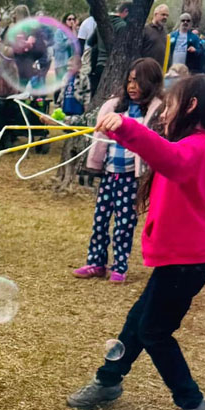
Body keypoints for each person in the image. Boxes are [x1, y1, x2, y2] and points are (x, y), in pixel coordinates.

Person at [67, 74, 205, 410]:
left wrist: (127, 127)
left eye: (172, 103)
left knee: (154, 331)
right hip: (185, 259)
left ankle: (193, 405)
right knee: (139, 320)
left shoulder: (196, 147)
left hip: (187, 260)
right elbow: (167, 153)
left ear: (191, 106)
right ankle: (108, 380)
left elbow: (171, 158)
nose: (165, 111)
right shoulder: (200, 144)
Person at [72, 58, 164, 284]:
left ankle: (119, 266)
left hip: (130, 178)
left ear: (151, 83)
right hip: (109, 174)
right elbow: (96, 131)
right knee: (100, 220)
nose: (132, 86)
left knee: (124, 224)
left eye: (138, 81)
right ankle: (96, 263)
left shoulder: (153, 113)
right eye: (130, 81)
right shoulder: (115, 107)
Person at [142, 3, 170, 68]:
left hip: (160, 71)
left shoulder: (165, 32)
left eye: (167, 15)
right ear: (155, 14)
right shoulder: (145, 30)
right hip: (146, 69)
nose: (165, 17)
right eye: (163, 14)